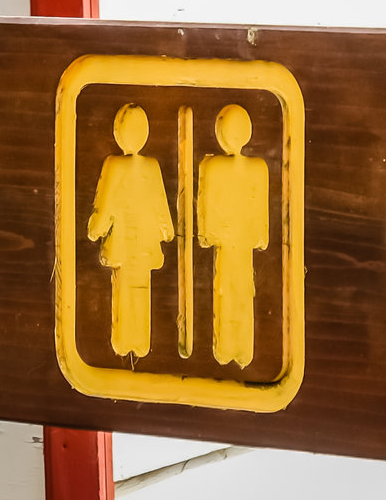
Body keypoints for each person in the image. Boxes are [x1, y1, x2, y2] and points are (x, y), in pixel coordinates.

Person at [88, 104, 175, 357]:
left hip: (126, 244)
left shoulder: (116, 166)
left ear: (119, 134)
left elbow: (105, 205)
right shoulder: (148, 167)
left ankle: (130, 341)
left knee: (129, 291)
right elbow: (160, 205)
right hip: (143, 244)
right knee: (137, 291)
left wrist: (97, 229)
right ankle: (135, 341)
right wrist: (166, 230)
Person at [195, 104, 269, 368]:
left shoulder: (215, 167)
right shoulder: (257, 168)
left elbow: (208, 205)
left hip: (229, 243)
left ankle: (231, 347)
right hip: (238, 244)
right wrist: (260, 236)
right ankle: (235, 347)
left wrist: (207, 234)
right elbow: (259, 211)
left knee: (230, 291)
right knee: (238, 292)